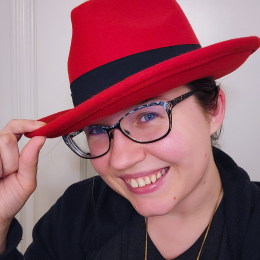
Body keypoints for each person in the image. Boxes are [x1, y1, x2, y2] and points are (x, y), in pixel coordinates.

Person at [0, 0, 260, 259]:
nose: (120, 160)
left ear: (214, 109)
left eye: (147, 115)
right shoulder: (74, 215)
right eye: (98, 130)